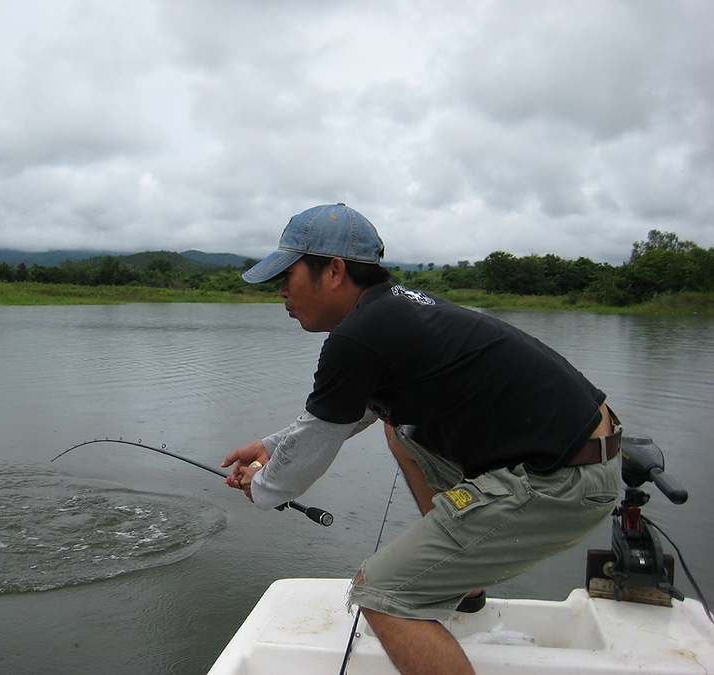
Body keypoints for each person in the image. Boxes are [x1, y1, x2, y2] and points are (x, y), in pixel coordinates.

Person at [222, 203, 622, 675]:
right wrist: (273, 445)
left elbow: (301, 463)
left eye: (288, 275)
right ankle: (463, 581)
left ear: (333, 271)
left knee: (382, 594)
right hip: (584, 452)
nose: (282, 291)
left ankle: (437, 578)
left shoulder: (356, 336)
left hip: (562, 481)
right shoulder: (395, 309)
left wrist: (263, 485)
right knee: (397, 425)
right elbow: (346, 416)